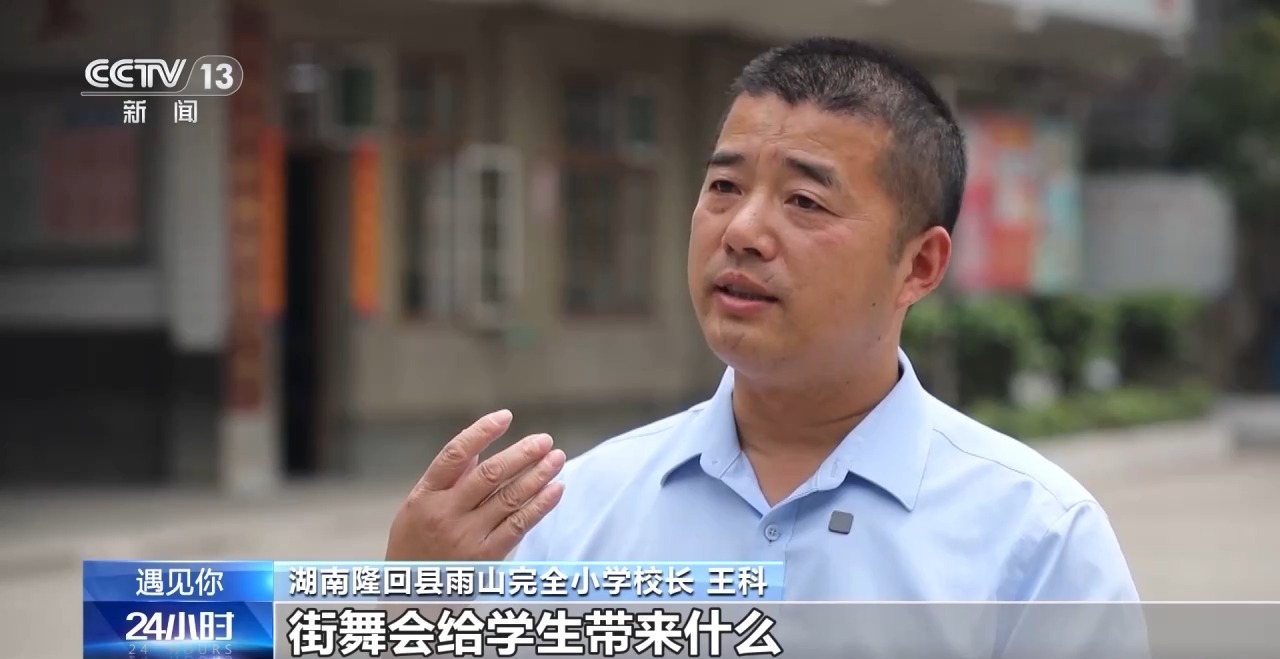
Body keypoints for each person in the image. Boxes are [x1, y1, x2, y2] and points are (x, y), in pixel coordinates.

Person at [385, 37, 1140, 609]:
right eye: (724, 186)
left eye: (804, 201)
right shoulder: (569, 515)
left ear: (919, 265)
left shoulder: (1036, 540)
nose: (742, 230)